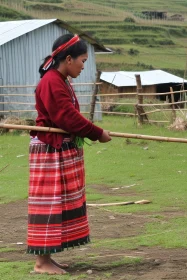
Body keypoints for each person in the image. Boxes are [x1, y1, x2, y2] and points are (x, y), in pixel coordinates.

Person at [28, 34, 112, 274]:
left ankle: (47, 258)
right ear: (68, 59)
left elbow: (67, 117)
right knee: (49, 204)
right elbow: (66, 117)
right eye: (82, 61)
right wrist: (97, 133)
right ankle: (41, 263)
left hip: (59, 150)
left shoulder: (60, 80)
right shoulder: (53, 81)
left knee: (58, 203)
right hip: (50, 151)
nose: (84, 66)